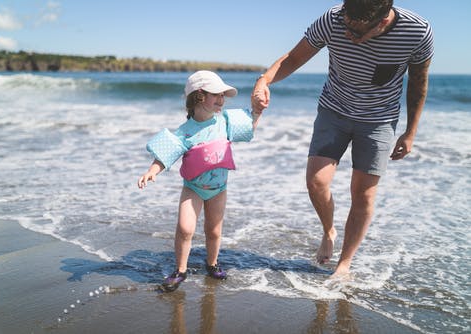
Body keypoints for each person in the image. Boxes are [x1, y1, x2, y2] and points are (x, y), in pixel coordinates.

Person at [251, 0, 433, 277]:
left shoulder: (417, 32)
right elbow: (294, 58)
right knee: (316, 182)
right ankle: (329, 230)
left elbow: (419, 81)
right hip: (333, 110)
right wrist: (263, 81)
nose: (348, 33)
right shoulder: (334, 18)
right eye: (347, 24)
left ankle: (344, 264)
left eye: (357, 32)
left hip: (379, 120)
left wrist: (411, 131)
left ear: (382, 22)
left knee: (363, 194)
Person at [138, 70, 260, 291]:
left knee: (213, 230)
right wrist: (152, 170)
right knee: (185, 229)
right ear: (200, 96)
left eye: (224, 95)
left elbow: (250, 128)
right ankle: (180, 270)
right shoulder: (185, 131)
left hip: (219, 189)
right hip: (193, 188)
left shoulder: (225, 122)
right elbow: (167, 153)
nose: (222, 100)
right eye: (217, 95)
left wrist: (258, 112)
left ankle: (212, 264)